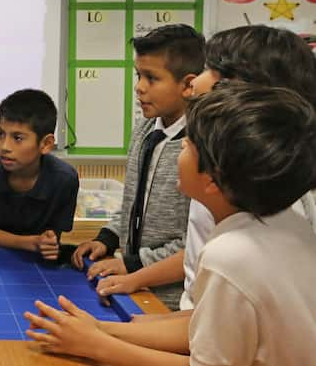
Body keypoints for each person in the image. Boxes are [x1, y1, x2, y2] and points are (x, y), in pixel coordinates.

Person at [24, 83, 316, 366]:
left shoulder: (231, 255)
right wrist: (103, 329)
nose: (181, 147)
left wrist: (97, 346)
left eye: (189, 145)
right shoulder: (288, 226)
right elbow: (203, 323)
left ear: (213, 179)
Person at [94, 25, 316, 312]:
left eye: (212, 71)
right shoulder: (155, 133)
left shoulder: (241, 182)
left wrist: (104, 335)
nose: (195, 83)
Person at [72, 24, 204, 309]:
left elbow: (194, 242)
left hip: (173, 300)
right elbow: (133, 201)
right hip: (137, 285)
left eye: (152, 78)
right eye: (138, 75)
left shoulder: (200, 146)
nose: (139, 87)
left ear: (187, 84)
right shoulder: (144, 129)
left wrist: (133, 264)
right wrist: (107, 239)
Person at [0, 89, 79, 260]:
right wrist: (30, 242)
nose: (4, 146)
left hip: (37, 264)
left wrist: (47, 242)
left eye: (17, 138)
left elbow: (53, 235)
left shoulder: (64, 179)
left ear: (46, 144)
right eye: (1, 134)